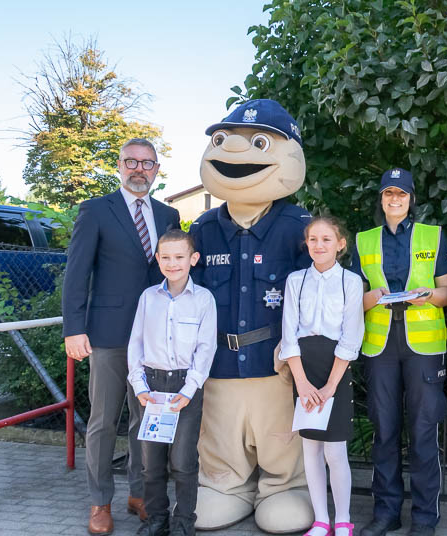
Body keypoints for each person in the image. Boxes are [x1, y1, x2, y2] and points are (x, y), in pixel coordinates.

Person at [189, 99, 314, 532]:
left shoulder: (301, 228)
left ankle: (285, 486)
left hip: (274, 366)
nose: (236, 153)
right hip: (218, 365)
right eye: (224, 141)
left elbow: (322, 298)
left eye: (259, 143)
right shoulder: (203, 229)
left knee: (281, 438)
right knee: (220, 438)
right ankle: (225, 484)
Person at [63, 138, 181, 535]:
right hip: (109, 335)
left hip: (153, 338)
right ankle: (99, 502)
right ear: (119, 165)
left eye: (147, 163)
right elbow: (77, 273)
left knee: (143, 418)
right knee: (103, 420)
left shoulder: (169, 214)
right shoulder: (96, 210)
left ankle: (139, 493)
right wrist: (73, 328)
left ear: (157, 170)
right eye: (131, 161)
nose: (139, 169)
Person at [351, 168, 447, 536]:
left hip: (423, 345)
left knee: (424, 431)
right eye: (388, 193)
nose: (395, 199)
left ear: (412, 199)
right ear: (380, 198)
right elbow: (352, 300)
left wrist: (427, 296)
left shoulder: (433, 236)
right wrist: (370, 299)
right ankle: (386, 513)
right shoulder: (363, 241)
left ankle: (425, 518)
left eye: (402, 194)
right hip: (379, 345)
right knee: (384, 430)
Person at [127, 229, 217, 536]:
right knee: (151, 463)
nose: (172, 263)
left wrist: (189, 390)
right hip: (151, 388)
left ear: (193, 259)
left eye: (179, 257)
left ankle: (183, 522)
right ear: (157, 259)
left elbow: (206, 349)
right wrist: (139, 386)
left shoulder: (204, 300)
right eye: (165, 257)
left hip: (184, 388)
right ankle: (157, 520)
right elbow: (136, 344)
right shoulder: (148, 298)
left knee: (182, 461)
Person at [278, 217, 364, 536]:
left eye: (326, 239)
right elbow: (288, 334)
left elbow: (351, 337)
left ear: (340, 244)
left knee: (334, 450)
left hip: (335, 372)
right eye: (313, 239)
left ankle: (342, 519)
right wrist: (302, 383)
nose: (319, 245)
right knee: (311, 448)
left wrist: (330, 385)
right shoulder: (296, 280)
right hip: (304, 369)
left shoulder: (351, 282)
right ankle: (321, 521)